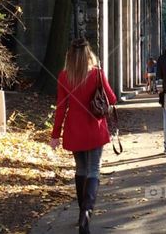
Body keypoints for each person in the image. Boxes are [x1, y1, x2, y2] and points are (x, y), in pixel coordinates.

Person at [50, 38, 117, 234]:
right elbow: (112, 98)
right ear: (89, 54)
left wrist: (55, 135)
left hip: (74, 129)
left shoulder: (64, 76)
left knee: (81, 169)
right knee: (94, 170)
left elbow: (61, 108)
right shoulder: (96, 74)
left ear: (69, 56)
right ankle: (87, 212)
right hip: (95, 128)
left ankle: (81, 212)